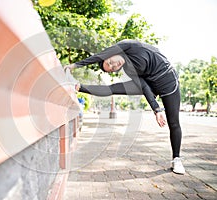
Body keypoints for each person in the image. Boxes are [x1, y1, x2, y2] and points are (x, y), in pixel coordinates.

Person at [64, 39, 185, 174]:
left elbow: (98, 56)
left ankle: (176, 159)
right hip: (150, 84)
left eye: (110, 62)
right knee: (112, 89)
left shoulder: (128, 45)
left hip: (167, 81)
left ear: (111, 54)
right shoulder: (129, 70)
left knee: (173, 123)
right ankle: (78, 86)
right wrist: (157, 109)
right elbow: (144, 87)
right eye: (113, 69)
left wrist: (75, 65)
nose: (114, 65)